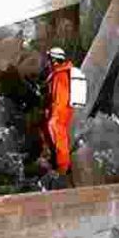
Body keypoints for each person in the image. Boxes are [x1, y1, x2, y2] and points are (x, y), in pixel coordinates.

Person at [43, 47, 74, 177]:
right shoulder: (61, 72)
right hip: (60, 109)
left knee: (59, 135)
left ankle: (63, 168)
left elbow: (60, 95)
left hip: (60, 110)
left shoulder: (61, 74)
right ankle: (59, 163)